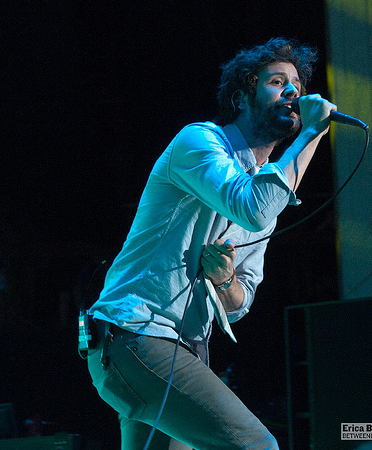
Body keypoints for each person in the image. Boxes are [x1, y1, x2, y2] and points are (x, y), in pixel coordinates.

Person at [87, 37, 335, 450]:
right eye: (277, 82)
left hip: (178, 351)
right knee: (257, 446)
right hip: (137, 335)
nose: (294, 91)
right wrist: (311, 132)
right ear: (241, 98)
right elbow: (252, 208)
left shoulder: (266, 189)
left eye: (297, 83)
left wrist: (225, 280)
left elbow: (240, 303)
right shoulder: (199, 141)